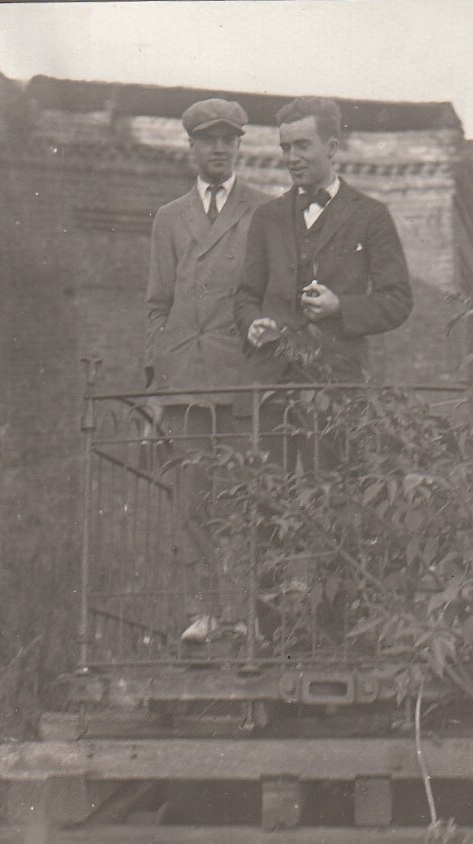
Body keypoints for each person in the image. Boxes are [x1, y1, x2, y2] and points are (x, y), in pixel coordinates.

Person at [144, 98, 270, 648]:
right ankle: (203, 611)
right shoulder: (169, 218)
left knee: (242, 497)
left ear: (239, 147)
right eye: (207, 140)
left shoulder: (264, 211)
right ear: (191, 147)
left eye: (228, 140)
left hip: (239, 376)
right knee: (191, 499)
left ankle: (243, 613)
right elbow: (157, 304)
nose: (218, 149)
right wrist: (159, 380)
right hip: (186, 383)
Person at [234, 96, 413, 388]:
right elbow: (245, 296)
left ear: (331, 147)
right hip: (269, 384)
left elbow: (397, 301)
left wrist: (340, 306)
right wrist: (254, 323)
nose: (292, 158)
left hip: (339, 386)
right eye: (286, 148)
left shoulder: (370, 215)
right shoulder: (267, 217)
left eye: (302, 146)